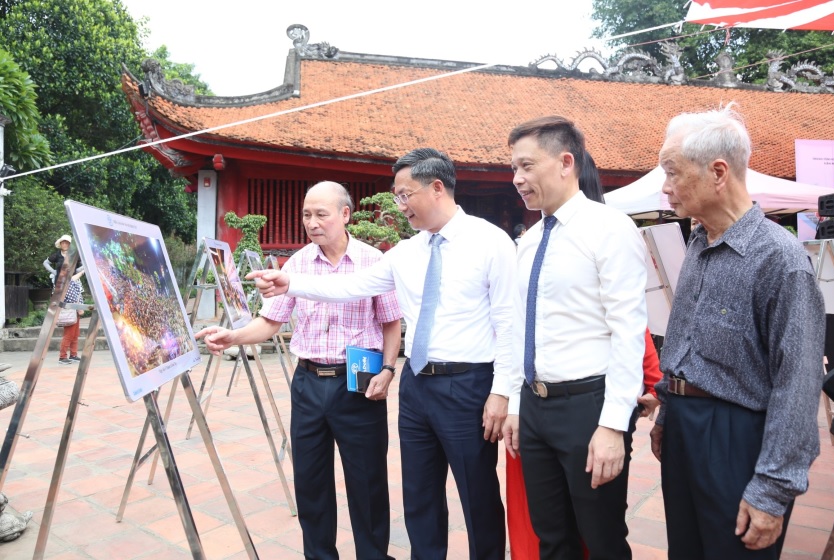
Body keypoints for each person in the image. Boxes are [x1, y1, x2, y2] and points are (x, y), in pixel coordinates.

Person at [249, 148, 516, 560]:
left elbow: (509, 322)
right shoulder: (405, 253)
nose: (400, 205)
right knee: (420, 497)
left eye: (405, 195)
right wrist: (290, 282)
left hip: (469, 385)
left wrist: (502, 392)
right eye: (396, 196)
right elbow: (348, 286)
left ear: (438, 188)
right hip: (416, 388)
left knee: (477, 495)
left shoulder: (490, 242)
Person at [650, 104, 825, 559]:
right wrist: (670, 411)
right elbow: (685, 341)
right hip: (686, 432)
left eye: (672, 172)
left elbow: (798, 384)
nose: (665, 187)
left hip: (736, 437)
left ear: (719, 172)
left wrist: (771, 490)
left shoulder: (779, 259)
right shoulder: (698, 241)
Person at [197, 181, 402, 560]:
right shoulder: (297, 264)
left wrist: (388, 369)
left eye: (321, 214)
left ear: (345, 215)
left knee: (368, 481)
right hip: (307, 382)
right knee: (310, 480)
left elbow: (391, 322)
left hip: (358, 383)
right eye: (306, 214)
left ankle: (373, 555)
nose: (312, 222)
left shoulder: (375, 261)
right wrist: (232, 336)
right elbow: (270, 322)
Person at [502, 116, 647, 559]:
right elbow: (517, 326)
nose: (517, 179)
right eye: (513, 169)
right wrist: (515, 401)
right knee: (552, 538)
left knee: (602, 539)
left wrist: (611, 425)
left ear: (566, 162)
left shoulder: (610, 228)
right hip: (536, 408)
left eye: (527, 166)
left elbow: (628, 331)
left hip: (588, 407)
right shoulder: (528, 240)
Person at [44, 235, 86, 364]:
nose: (65, 245)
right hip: (65, 297)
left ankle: (73, 354)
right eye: (63, 242)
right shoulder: (57, 257)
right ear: (60, 244)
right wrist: (54, 272)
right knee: (70, 331)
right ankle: (63, 356)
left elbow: (76, 280)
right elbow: (71, 296)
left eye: (67, 243)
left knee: (75, 332)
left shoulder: (74, 258)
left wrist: (82, 270)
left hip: (72, 291)